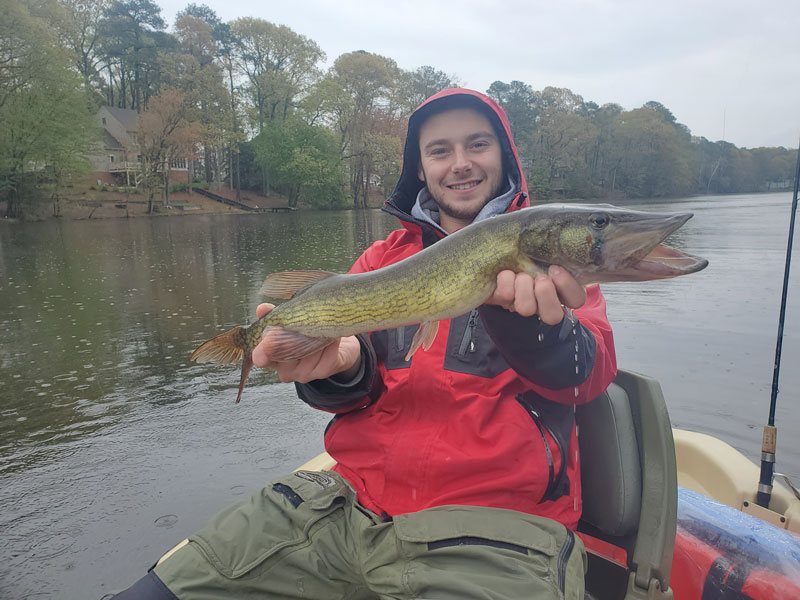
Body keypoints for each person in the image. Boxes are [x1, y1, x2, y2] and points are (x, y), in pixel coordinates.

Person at [111, 88, 617, 600]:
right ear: (419, 168)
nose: (460, 164)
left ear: (503, 154)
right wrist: (341, 368)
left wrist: (538, 331)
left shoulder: (551, 261)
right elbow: (349, 393)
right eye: (440, 150)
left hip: (494, 530)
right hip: (348, 507)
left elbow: (590, 378)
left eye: (477, 144)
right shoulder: (380, 260)